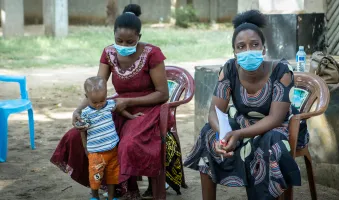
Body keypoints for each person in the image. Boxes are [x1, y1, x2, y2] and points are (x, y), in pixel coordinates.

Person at [51, 4, 184, 200]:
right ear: (113, 36)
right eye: (118, 40)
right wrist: (78, 110)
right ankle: (105, 185)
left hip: (147, 108)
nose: (124, 45)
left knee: (128, 144)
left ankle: (125, 189)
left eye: (130, 41)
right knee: (76, 135)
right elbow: (96, 87)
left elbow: (162, 94)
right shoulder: (108, 53)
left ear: (139, 37)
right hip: (116, 106)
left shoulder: (152, 53)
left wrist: (128, 102)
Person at [184, 10, 303, 200]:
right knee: (208, 133)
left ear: (263, 49)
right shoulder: (230, 69)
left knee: (271, 142)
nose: (248, 51)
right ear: (235, 52)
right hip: (242, 124)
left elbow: (275, 118)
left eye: (254, 45)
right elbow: (215, 112)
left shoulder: (281, 70)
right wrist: (223, 135)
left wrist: (238, 134)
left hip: (277, 127)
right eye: (241, 46)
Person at [78, 76, 142, 200]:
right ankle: (95, 196)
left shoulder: (109, 104)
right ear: (87, 97)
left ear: (106, 95)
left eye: (102, 101)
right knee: (95, 175)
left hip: (113, 149)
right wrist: (85, 147)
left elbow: (121, 111)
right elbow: (82, 130)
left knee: (113, 175)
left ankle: (112, 197)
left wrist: (132, 117)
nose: (98, 105)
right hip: (96, 152)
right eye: (94, 102)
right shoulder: (85, 113)